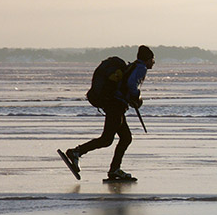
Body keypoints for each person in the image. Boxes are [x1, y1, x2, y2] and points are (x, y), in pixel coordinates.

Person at [65, 45, 155, 180]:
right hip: (115, 106)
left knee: (126, 138)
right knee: (107, 139)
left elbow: (124, 85)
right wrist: (137, 96)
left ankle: (114, 169)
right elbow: (131, 84)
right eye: (152, 60)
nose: (153, 63)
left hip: (116, 105)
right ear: (147, 59)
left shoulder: (133, 66)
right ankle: (76, 152)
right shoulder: (141, 68)